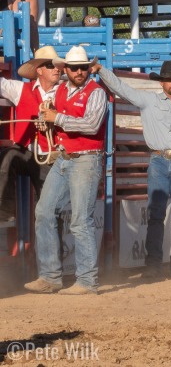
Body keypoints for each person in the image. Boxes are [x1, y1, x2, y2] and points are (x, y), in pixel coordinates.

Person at [91, 59, 171, 279]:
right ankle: (154, 265)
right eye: (169, 79)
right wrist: (101, 70)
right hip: (158, 161)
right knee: (156, 215)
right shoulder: (149, 101)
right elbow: (121, 88)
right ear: (161, 83)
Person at [24, 46, 108, 295]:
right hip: (64, 157)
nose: (79, 71)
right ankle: (50, 276)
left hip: (86, 159)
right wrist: (47, 118)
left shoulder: (96, 92)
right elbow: (54, 115)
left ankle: (87, 280)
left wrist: (56, 119)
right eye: (74, 68)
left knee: (81, 220)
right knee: (44, 211)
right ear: (66, 70)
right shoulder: (60, 91)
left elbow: (92, 125)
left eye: (83, 67)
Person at [0, 46, 61, 224]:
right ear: (39, 70)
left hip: (51, 156)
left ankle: (53, 250)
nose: (56, 68)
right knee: (7, 157)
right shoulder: (21, 89)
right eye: (51, 65)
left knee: (49, 211)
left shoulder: (64, 92)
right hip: (28, 151)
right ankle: (5, 210)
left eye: (57, 65)